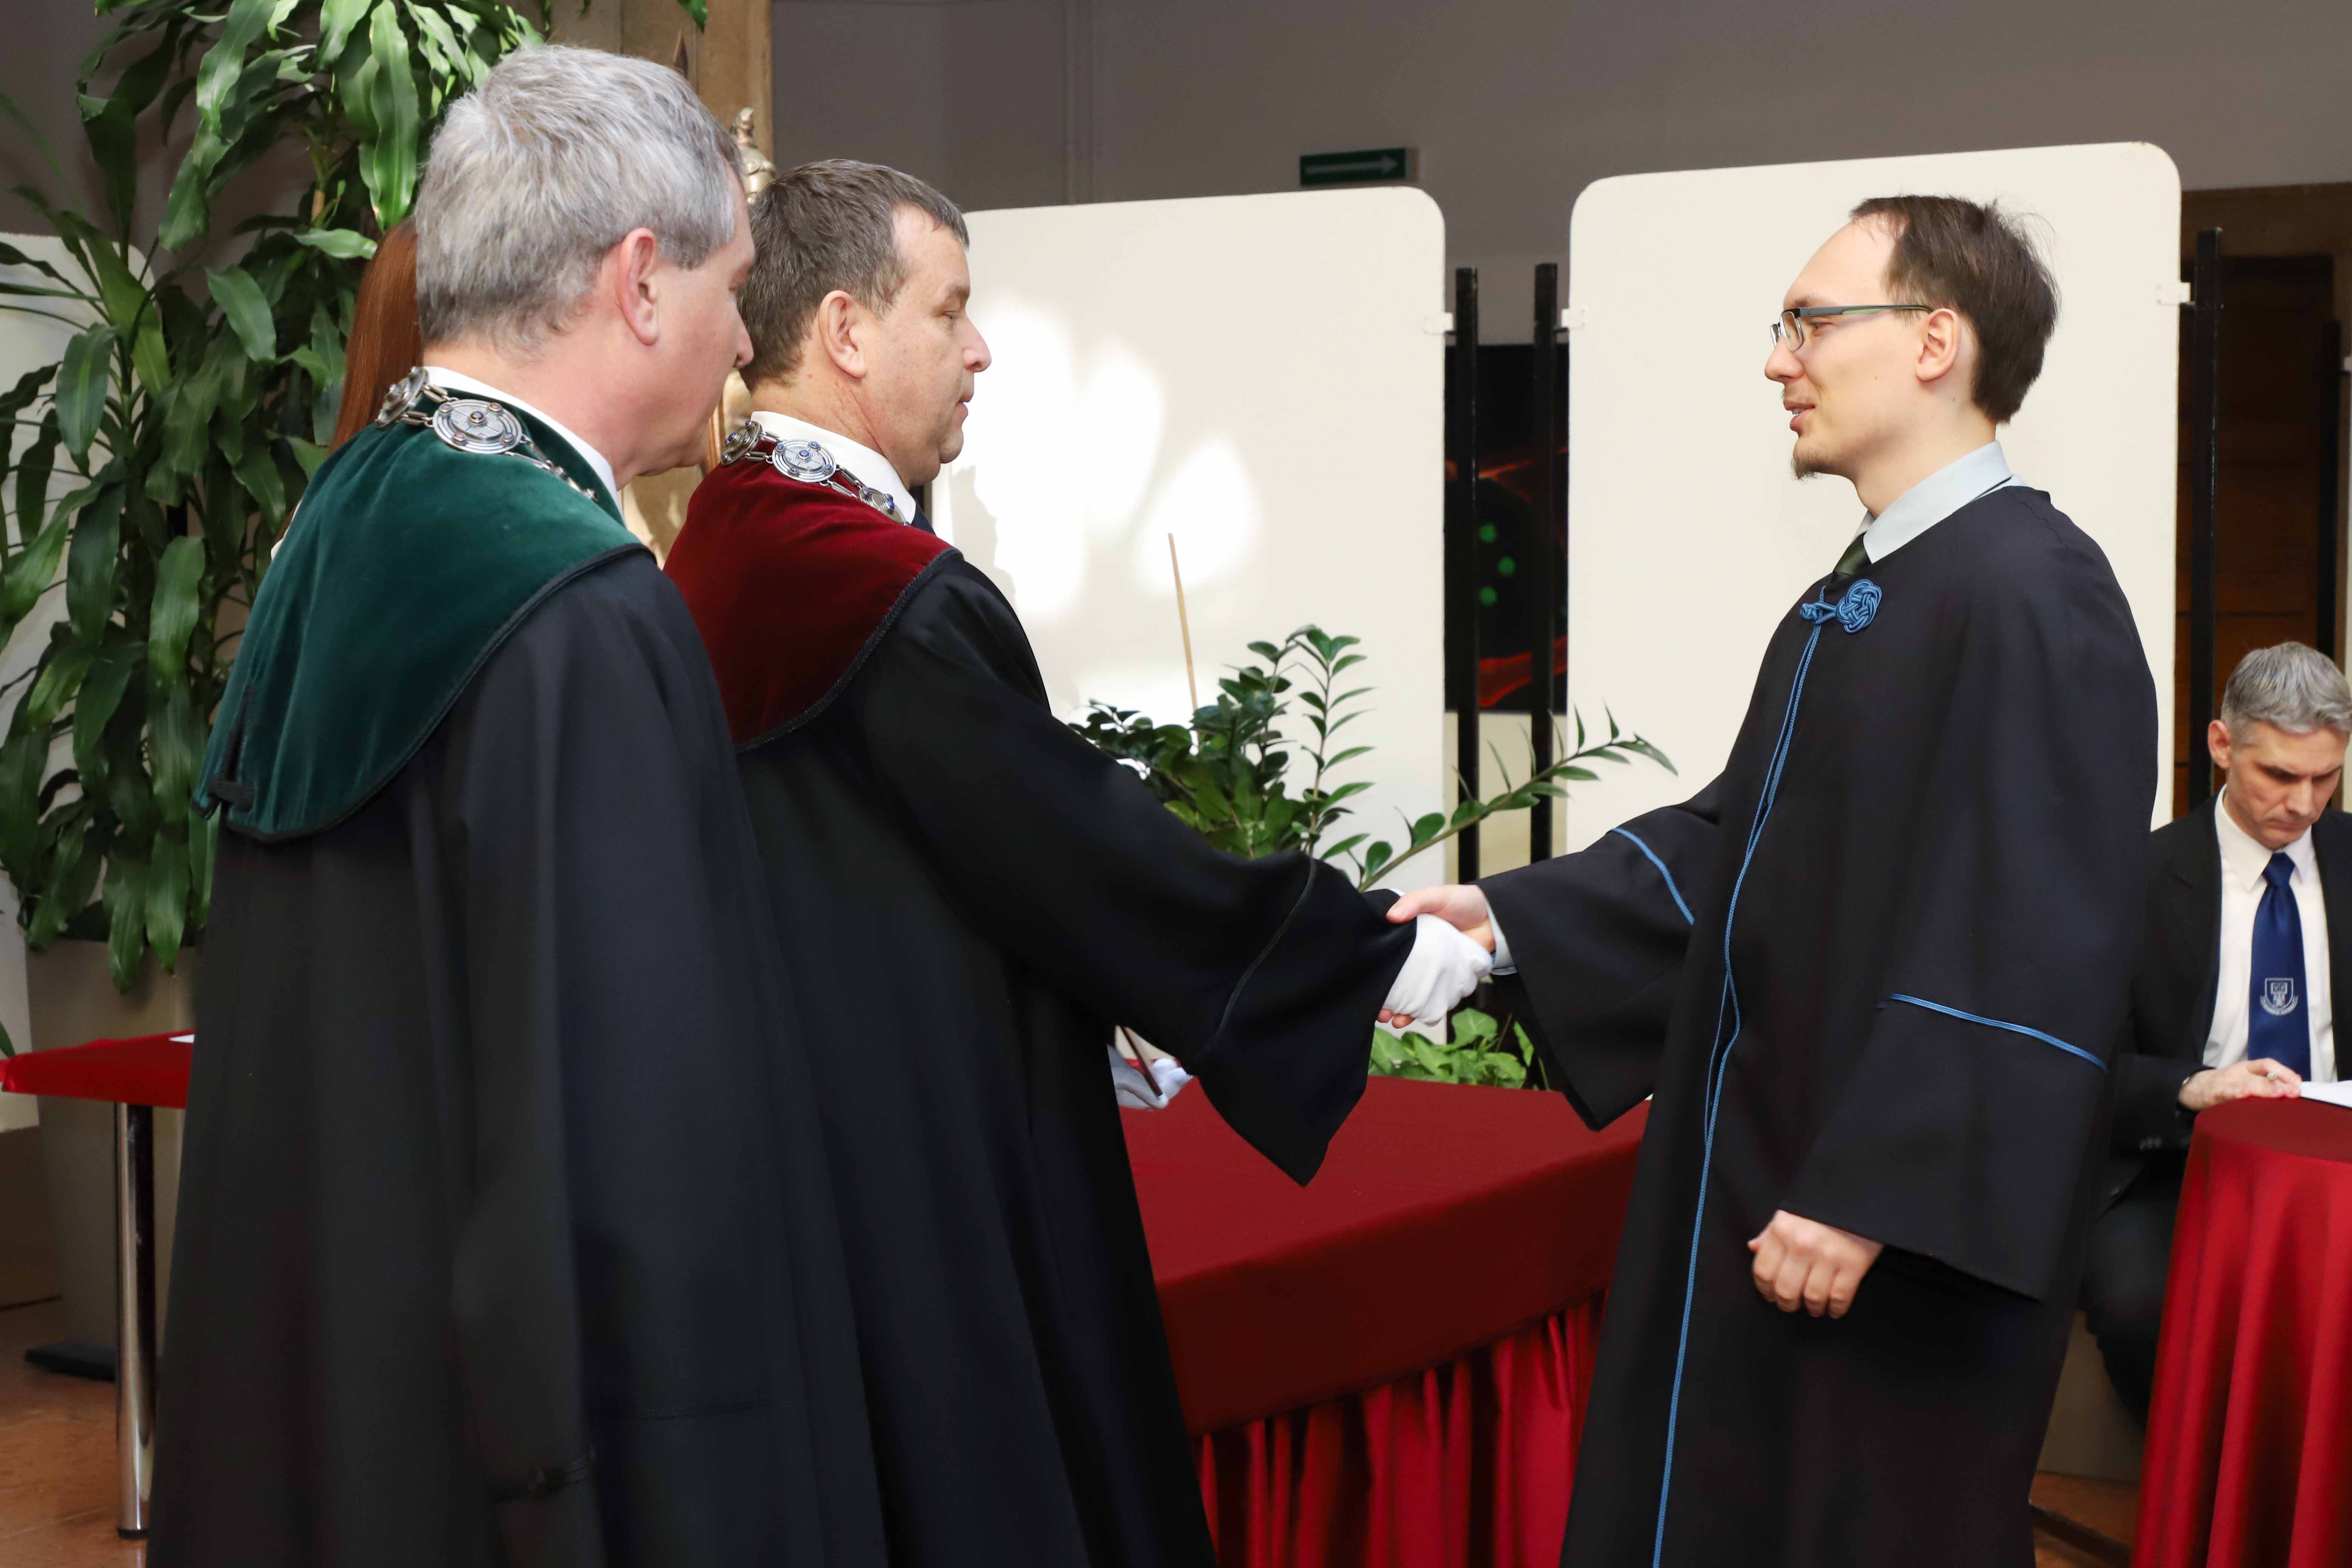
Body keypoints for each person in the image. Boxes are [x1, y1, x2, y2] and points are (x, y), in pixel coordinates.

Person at [661, 159, 1490, 1568]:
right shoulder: (868, 587)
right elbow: (1081, 852)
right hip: (936, 1184)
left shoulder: (727, 549)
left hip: (810, 1160)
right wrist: (1370, 955)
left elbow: (929, 869)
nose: (981, 350)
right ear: (848, 330)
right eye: (951, 311)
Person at [153, 49, 885, 1568]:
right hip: (528, 1464)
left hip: (340, 1404)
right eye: (731, 289)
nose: (741, 342)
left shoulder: (345, 518)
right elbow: (638, 1134)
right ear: (639, 281)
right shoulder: (581, 610)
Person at [1389, 196, 2157, 1566]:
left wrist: (1874, 1189)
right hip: (1770, 1182)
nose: (1777, 359)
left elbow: (2036, 937)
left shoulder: (2036, 590)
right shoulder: (1860, 595)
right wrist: (1508, 919)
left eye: (1810, 322)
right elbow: (1741, 843)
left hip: (1882, 1239)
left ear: (1935, 341)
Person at [2084, 641, 2346, 1419]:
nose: (2304, 803)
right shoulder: (2134, 878)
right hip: (2180, 1166)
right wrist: (2192, 1087)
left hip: (2340, 1168)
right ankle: (2200, 1483)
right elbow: (2085, 1065)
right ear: (2223, 745)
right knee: (2140, 1307)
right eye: (2280, 776)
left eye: (2326, 778)